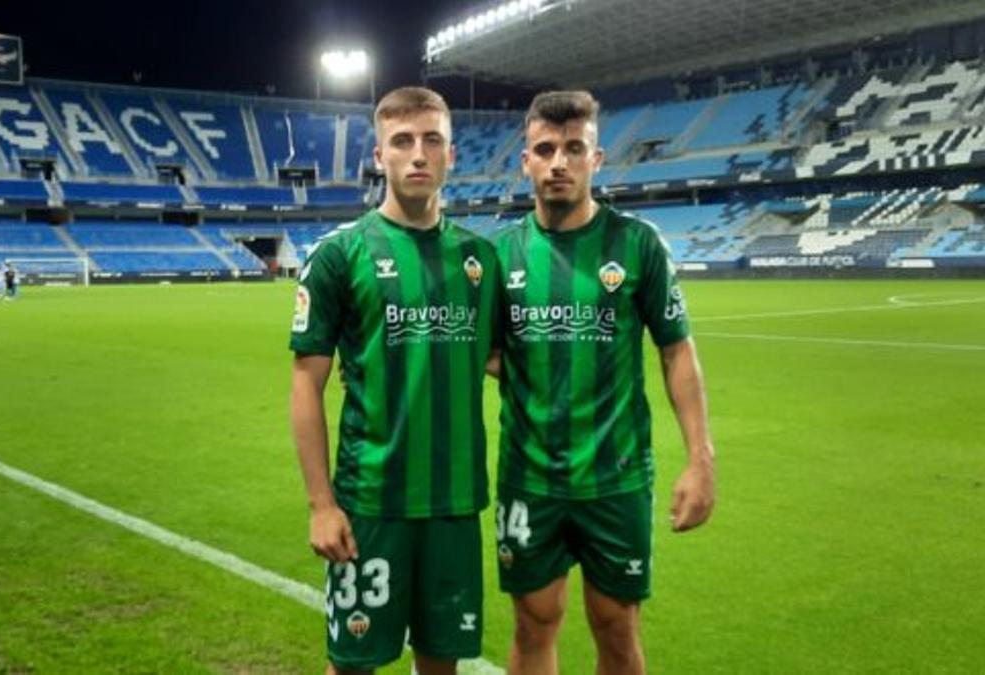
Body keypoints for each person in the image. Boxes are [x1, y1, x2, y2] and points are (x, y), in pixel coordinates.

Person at [491, 90, 717, 675]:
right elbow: (481, 353)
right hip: (529, 477)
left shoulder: (638, 244)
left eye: (573, 148)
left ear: (597, 158)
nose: (558, 162)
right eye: (545, 149)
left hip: (615, 478)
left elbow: (677, 353)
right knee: (532, 624)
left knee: (616, 629)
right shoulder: (501, 256)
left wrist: (701, 459)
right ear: (526, 162)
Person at [289, 86, 499, 675]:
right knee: (353, 663)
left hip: (455, 504)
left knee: (441, 663)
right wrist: (321, 504)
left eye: (432, 140)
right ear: (379, 156)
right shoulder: (340, 254)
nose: (418, 154)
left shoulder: (480, 259)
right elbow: (306, 384)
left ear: (451, 155)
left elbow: (501, 360)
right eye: (402, 141)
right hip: (370, 503)